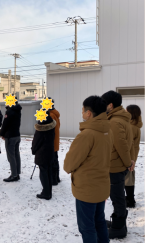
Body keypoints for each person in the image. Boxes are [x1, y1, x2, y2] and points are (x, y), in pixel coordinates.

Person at [64, 96, 113, 243]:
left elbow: (69, 165)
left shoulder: (86, 135)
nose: (82, 113)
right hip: (102, 186)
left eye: (83, 110)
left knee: (87, 227)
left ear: (89, 113)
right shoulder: (108, 130)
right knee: (99, 221)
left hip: (87, 189)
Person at [101, 91, 135, 239]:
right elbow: (129, 143)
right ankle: (118, 222)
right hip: (118, 165)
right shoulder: (120, 118)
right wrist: (130, 161)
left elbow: (121, 144)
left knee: (117, 197)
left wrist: (129, 162)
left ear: (110, 105)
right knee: (117, 196)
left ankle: (118, 228)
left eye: (104, 104)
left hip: (115, 166)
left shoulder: (114, 121)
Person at [32, 113, 56, 200]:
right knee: (48, 172)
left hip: (42, 154)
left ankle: (46, 193)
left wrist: (33, 150)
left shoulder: (40, 129)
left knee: (43, 174)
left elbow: (36, 142)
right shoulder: (51, 126)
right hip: (50, 152)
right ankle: (48, 191)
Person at [0, 98, 22, 182]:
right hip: (17, 135)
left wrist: (2, 134)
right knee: (16, 155)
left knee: (11, 156)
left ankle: (14, 175)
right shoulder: (18, 110)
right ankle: (17, 173)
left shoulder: (9, 112)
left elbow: (5, 124)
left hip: (10, 137)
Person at [125, 105, 143, 207]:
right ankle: (130, 199)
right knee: (129, 177)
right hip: (132, 156)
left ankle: (130, 201)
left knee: (128, 178)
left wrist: (130, 159)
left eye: (127, 111)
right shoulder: (136, 126)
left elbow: (129, 144)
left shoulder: (131, 127)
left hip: (129, 156)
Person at [48, 97, 61, 185]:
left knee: (52, 161)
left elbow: (50, 130)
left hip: (51, 142)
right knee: (55, 160)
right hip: (54, 141)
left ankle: (54, 179)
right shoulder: (54, 114)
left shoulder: (51, 115)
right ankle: (56, 178)